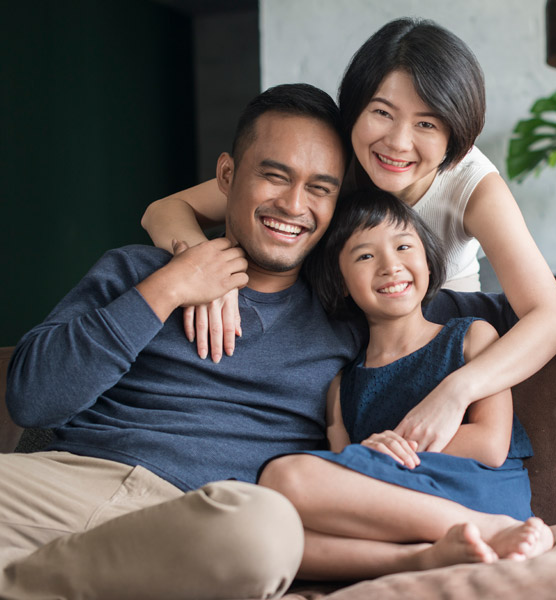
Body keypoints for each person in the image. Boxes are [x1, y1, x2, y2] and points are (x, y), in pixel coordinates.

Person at [140, 16, 556, 452]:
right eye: (382, 112)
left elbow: (549, 317)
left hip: (428, 324)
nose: (397, 143)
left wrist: (457, 390)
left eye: (426, 123)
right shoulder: (331, 158)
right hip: (339, 316)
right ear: (354, 109)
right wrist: (202, 271)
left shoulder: (472, 185)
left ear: (455, 136)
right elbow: (165, 210)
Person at [1, 83, 355, 600]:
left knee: (267, 531)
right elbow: (31, 399)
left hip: (203, 522)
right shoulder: (136, 268)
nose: (294, 204)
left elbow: (495, 315)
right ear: (227, 175)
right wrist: (169, 287)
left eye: (320, 188)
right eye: (274, 176)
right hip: (64, 484)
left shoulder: (351, 319)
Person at [259, 188, 553, 581]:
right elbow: (346, 474)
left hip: (480, 491)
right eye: (365, 255)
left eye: (403, 246)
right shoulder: (342, 384)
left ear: (429, 262)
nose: (390, 265)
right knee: (272, 537)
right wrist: (369, 453)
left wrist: (390, 450)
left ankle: (488, 529)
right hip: (397, 513)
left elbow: (490, 445)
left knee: (283, 478)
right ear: (341, 281)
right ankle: (425, 557)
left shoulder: (471, 338)